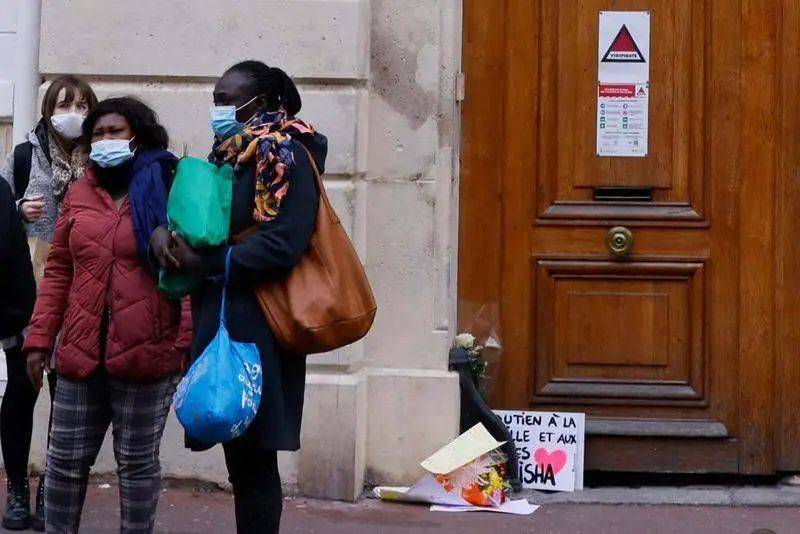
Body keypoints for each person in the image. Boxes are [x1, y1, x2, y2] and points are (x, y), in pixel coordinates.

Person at [162, 60, 327, 533]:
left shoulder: (286, 154)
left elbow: (283, 243)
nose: (219, 109)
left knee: (255, 461)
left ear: (265, 103)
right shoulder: (230, 154)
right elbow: (211, 226)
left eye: (229, 100)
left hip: (261, 324)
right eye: (215, 99)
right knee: (241, 459)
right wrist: (165, 237)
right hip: (221, 315)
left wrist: (209, 265)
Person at [22, 96, 192, 534]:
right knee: (63, 464)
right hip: (80, 353)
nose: (104, 140)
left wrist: (185, 343)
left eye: (114, 131)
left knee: (136, 467)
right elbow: (59, 269)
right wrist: (40, 339)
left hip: (146, 353)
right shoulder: (80, 191)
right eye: (98, 133)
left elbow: (192, 274)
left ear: (139, 134)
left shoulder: (168, 184)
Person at [0, 75, 98, 531]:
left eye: (81, 104)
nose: (73, 113)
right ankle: (17, 489)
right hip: (27, 290)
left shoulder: (103, 158)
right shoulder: (23, 155)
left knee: (69, 399)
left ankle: (51, 492)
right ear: (47, 109)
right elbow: (0, 208)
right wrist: (19, 208)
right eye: (64, 104)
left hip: (81, 292)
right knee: (21, 393)